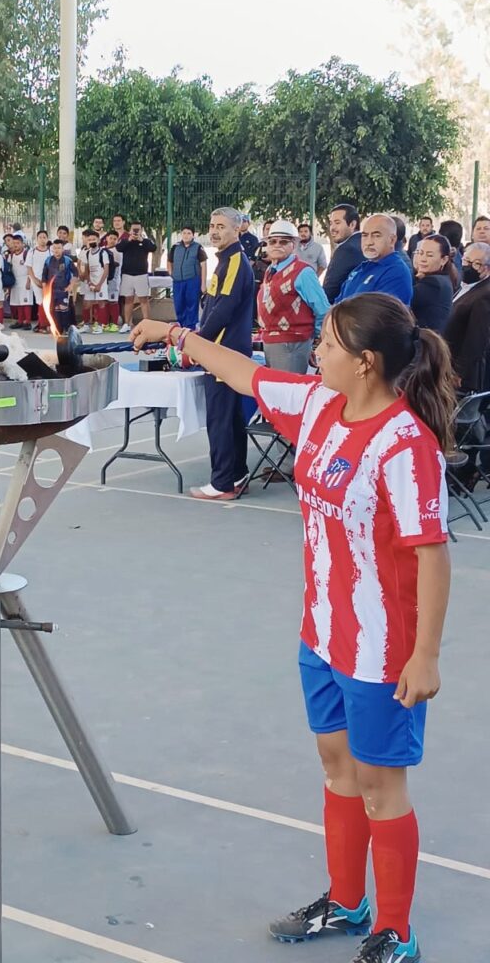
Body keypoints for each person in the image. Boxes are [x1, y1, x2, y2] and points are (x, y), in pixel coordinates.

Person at [133, 291, 454, 963]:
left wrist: (425, 654)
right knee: (337, 766)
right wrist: (174, 335)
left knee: (381, 784)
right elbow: (242, 372)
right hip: (322, 632)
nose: (316, 352)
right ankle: (347, 901)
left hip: (381, 650)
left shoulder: (405, 445)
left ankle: (396, 932)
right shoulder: (316, 405)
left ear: (365, 362)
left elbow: (431, 554)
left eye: (328, 344)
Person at [191, 207, 254, 500]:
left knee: (220, 418)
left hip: (223, 351)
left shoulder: (236, 261)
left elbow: (224, 309)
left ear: (237, 229)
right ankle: (237, 473)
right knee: (231, 416)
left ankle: (222, 483)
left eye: (221, 226)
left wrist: (197, 343)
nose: (214, 231)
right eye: (212, 225)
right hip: (223, 349)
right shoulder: (226, 260)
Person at [257, 220, 329, 374]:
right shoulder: (271, 270)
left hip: (292, 343)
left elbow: (323, 309)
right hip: (272, 341)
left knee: (285, 387)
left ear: (294, 245)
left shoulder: (303, 272)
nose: (277, 245)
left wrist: (314, 338)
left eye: (283, 241)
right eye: (272, 241)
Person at [443, 241, 490, 392]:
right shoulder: (466, 285)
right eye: (466, 261)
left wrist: (459, 372)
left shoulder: (485, 295)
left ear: (487, 268)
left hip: (461, 376)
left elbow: (476, 339)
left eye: (476, 263)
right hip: (448, 362)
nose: (468, 266)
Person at [337, 216, 413, 305]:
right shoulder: (360, 269)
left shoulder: (397, 272)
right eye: (365, 235)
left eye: (376, 236)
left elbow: (379, 312)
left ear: (392, 240)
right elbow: (338, 304)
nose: (369, 242)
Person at [116, 221, 156, 333]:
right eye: (134, 229)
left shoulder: (146, 241)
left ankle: (147, 324)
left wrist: (141, 240)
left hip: (141, 275)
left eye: (138, 229)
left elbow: (153, 248)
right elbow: (119, 248)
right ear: (130, 230)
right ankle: (127, 324)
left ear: (141, 230)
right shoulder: (125, 241)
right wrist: (129, 240)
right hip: (127, 274)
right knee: (128, 299)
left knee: (143, 299)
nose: (135, 231)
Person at [411, 235, 455, 334]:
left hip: (425, 340)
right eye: (420, 253)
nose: (423, 259)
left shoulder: (434, 283)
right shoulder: (441, 279)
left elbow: (404, 296)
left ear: (444, 260)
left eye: (429, 255)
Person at [323, 204, 365, 304]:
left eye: (337, 223)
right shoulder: (363, 243)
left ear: (352, 224)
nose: (332, 228)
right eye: (331, 223)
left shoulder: (346, 249)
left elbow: (330, 288)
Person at [167, 225, 208, 329]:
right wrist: (171, 273)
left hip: (192, 280)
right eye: (184, 233)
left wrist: (203, 284)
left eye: (189, 233)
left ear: (193, 235)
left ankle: (191, 327)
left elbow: (203, 265)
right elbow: (169, 261)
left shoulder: (198, 248)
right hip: (178, 281)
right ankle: (181, 324)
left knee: (192, 304)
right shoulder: (175, 247)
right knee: (179, 304)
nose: (186, 235)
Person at [77, 228, 112, 334]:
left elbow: (106, 270)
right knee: (86, 304)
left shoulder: (103, 253)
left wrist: (99, 284)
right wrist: (89, 282)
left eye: (94, 239)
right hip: (90, 283)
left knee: (101, 303)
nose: (91, 241)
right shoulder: (87, 253)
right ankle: (86, 325)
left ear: (98, 240)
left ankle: (100, 326)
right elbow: (87, 269)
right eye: (89, 239)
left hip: (101, 283)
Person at [42, 239, 76, 335]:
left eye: (59, 248)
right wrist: (44, 288)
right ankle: (58, 329)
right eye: (55, 248)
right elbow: (44, 276)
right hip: (52, 290)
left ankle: (67, 328)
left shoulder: (68, 260)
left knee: (63, 308)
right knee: (55, 308)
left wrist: (71, 285)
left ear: (62, 249)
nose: (56, 250)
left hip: (63, 289)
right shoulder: (48, 260)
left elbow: (76, 273)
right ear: (52, 249)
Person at [28, 229, 51, 333]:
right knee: (41, 302)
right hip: (36, 281)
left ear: (47, 239)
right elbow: (29, 267)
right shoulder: (32, 252)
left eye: (44, 237)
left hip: (48, 281)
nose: (42, 239)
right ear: (37, 239)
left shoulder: (50, 252)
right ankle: (42, 325)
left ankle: (48, 324)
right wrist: (34, 280)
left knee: (48, 302)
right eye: (40, 237)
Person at [8, 234, 32, 329]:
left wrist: (29, 281)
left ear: (22, 244)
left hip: (25, 280)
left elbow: (30, 268)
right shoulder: (11, 255)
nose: (15, 245)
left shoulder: (26, 254)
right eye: (14, 243)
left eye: (18, 243)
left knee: (26, 302)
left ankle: (28, 322)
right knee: (18, 302)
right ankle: (20, 321)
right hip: (15, 281)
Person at [103, 229, 123, 332]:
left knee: (113, 301)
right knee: (104, 302)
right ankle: (105, 323)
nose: (112, 240)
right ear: (106, 238)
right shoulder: (102, 250)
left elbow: (114, 265)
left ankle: (114, 324)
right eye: (111, 238)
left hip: (113, 281)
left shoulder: (118, 251)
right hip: (103, 281)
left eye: (115, 239)